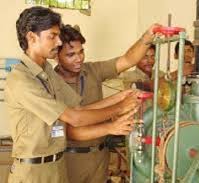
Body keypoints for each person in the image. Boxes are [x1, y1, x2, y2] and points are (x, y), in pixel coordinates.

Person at [5, 6, 139, 183]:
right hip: (33, 172)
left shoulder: (47, 71)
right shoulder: (22, 79)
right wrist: (118, 110)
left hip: (57, 165)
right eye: (52, 36)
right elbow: (74, 118)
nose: (59, 42)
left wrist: (119, 98)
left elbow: (78, 109)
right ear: (32, 37)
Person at [55, 24, 161, 183]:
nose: (79, 59)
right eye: (71, 55)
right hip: (70, 159)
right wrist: (115, 118)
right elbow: (71, 129)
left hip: (99, 157)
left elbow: (127, 60)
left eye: (81, 52)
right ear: (56, 55)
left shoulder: (92, 70)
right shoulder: (52, 83)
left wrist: (147, 37)